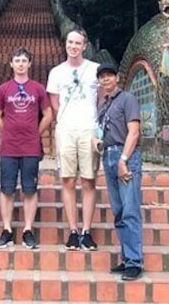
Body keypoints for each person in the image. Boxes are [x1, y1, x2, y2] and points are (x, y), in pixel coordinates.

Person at [0, 48, 53, 249]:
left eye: (24, 60)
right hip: (9, 147)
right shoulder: (4, 89)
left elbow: (48, 114)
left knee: (30, 189)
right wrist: (7, 130)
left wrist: (36, 132)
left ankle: (27, 229)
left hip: (30, 147)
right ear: (11, 64)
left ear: (29, 64)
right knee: (6, 188)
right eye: (16, 60)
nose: (20, 64)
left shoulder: (38, 89)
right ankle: (7, 230)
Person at [45, 28, 100, 250]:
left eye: (77, 43)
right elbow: (54, 102)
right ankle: (73, 230)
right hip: (66, 129)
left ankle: (86, 230)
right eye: (70, 42)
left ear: (84, 46)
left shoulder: (95, 70)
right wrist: (65, 120)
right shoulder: (56, 72)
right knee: (67, 179)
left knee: (88, 180)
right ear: (65, 44)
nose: (73, 46)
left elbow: (102, 99)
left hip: (89, 129)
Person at [93, 62, 143, 281]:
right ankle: (126, 258)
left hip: (125, 157)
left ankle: (135, 262)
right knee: (119, 211)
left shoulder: (127, 99)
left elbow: (134, 132)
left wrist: (124, 159)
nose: (106, 80)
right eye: (102, 77)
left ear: (117, 77)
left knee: (130, 210)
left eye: (109, 76)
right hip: (109, 156)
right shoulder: (103, 104)